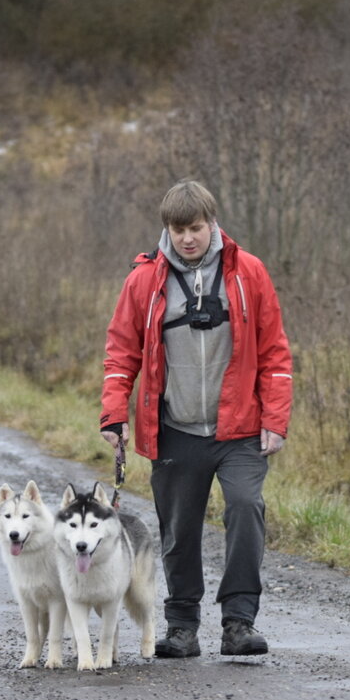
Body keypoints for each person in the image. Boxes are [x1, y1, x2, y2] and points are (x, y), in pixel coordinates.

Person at [99, 180, 293, 657]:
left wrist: (275, 419)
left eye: (196, 228)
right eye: (178, 229)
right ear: (167, 229)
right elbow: (121, 354)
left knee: (246, 509)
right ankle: (182, 626)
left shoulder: (248, 273)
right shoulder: (144, 281)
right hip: (176, 429)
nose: (188, 238)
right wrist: (114, 415)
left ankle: (239, 623)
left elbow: (274, 353)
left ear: (213, 223)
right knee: (178, 529)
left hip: (240, 429)